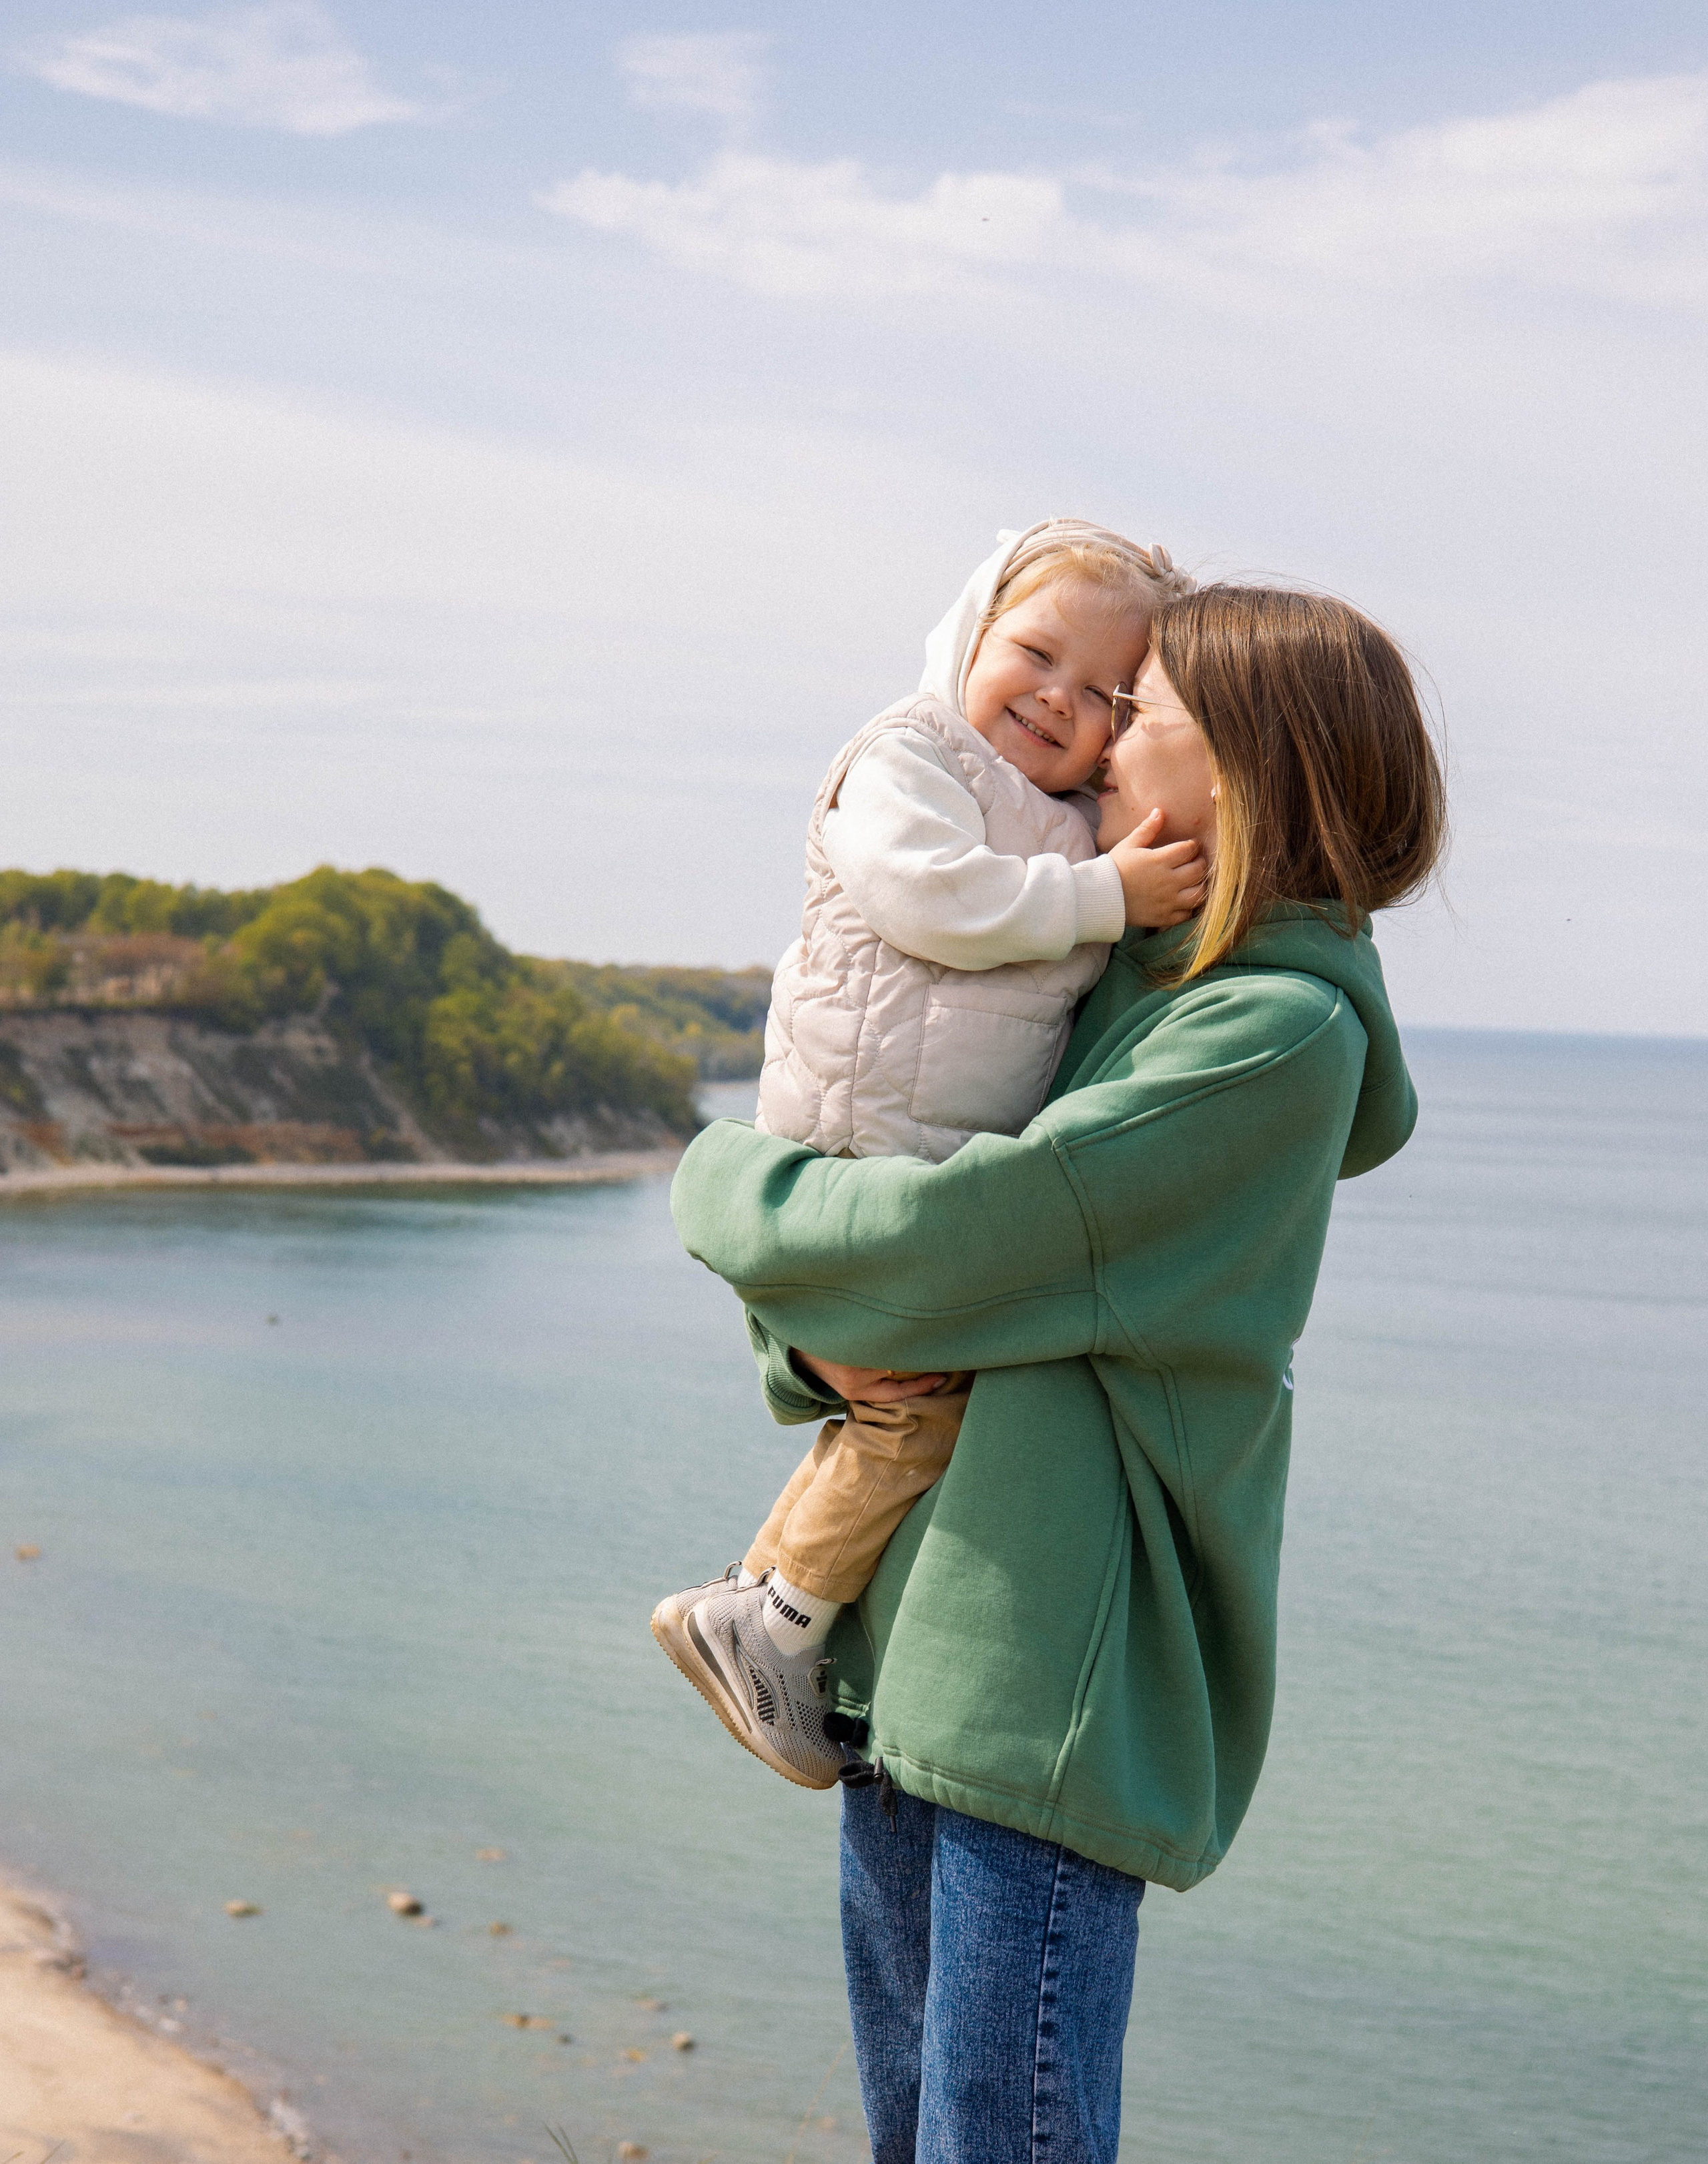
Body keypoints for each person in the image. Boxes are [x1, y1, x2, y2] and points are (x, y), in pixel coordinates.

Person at [670, 584, 1446, 2163]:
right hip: (914, 1643)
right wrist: (806, 1341)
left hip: (1045, 1679)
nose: (1095, 737)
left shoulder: (1268, 1035)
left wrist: (713, 1182)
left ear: (1241, 768)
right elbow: (908, 1239)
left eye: (1139, 708)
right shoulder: (1125, 978)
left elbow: (960, 1236)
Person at [652, 520, 1203, 1787]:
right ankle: (776, 1617)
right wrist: (1109, 896)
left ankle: (761, 1607)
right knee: (917, 1407)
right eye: (1036, 654)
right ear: (972, 629)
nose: (1058, 700)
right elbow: (929, 896)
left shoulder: (1068, 820)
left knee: (904, 1407)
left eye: (1104, 694)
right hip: (854, 1140)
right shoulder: (908, 755)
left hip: (916, 1154)